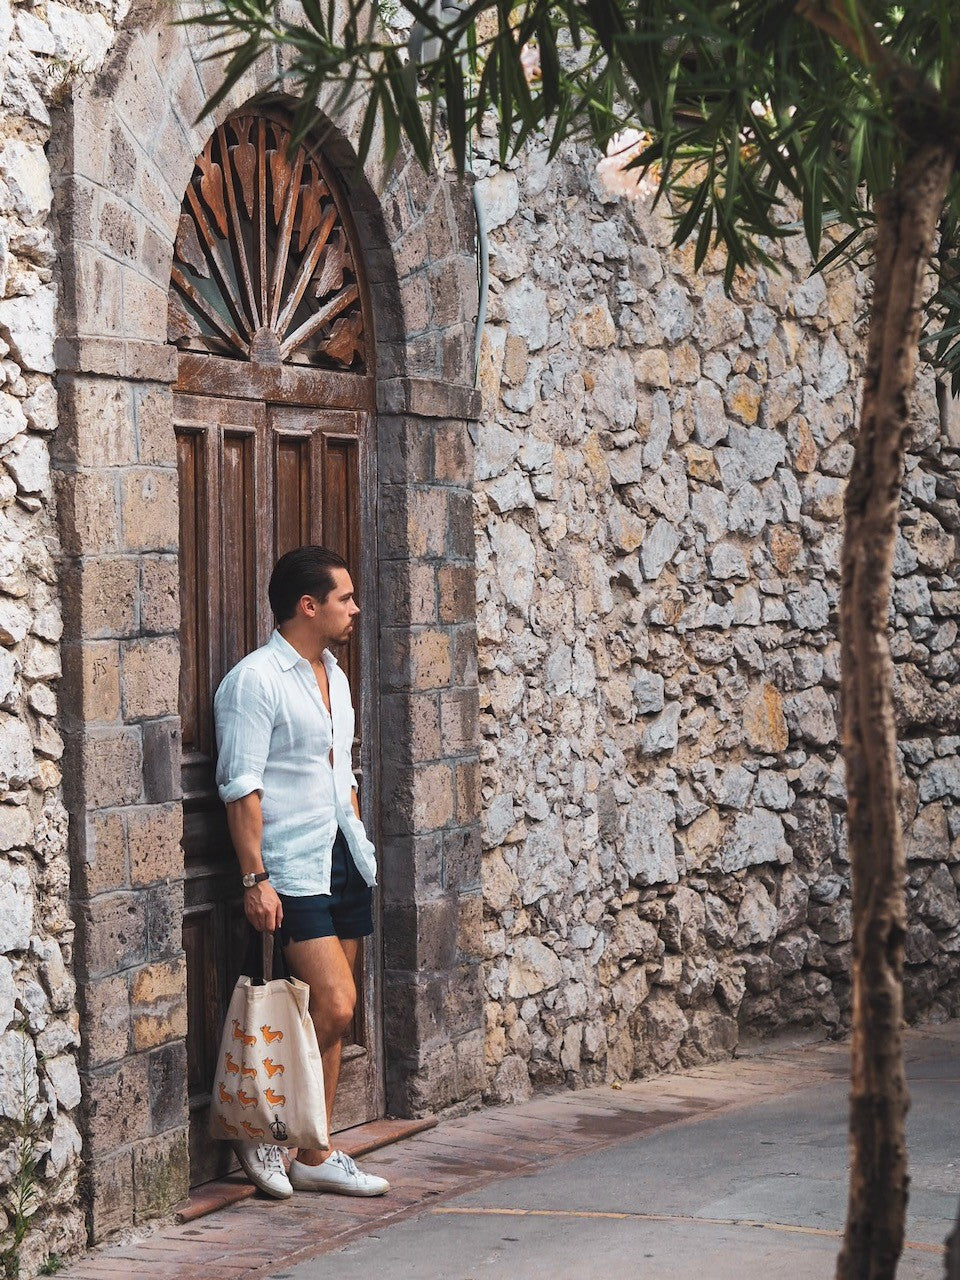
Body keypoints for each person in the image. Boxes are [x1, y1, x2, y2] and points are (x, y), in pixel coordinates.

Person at [213, 545, 389, 1200]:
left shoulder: (334, 676)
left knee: (331, 1014)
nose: (354, 607)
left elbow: (338, 771)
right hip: (289, 864)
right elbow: (241, 787)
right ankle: (260, 1121)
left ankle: (314, 1153)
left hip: (341, 853)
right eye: (344, 597)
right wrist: (255, 878)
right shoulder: (255, 681)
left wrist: (359, 837)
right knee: (335, 1000)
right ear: (307, 606)